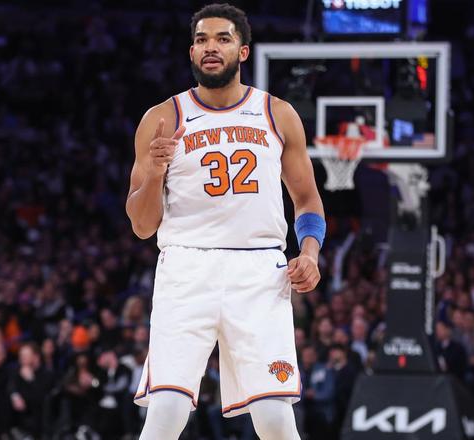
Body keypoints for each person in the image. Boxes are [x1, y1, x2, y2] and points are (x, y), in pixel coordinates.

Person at [125, 4, 325, 439]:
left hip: (260, 271)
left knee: (274, 418)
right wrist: (155, 172)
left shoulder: (277, 114)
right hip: (186, 267)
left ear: (243, 51)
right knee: (166, 412)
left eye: (222, 38)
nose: (210, 47)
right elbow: (141, 225)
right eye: (201, 40)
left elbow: (307, 199)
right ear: (191, 52)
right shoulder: (162, 118)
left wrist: (309, 253)